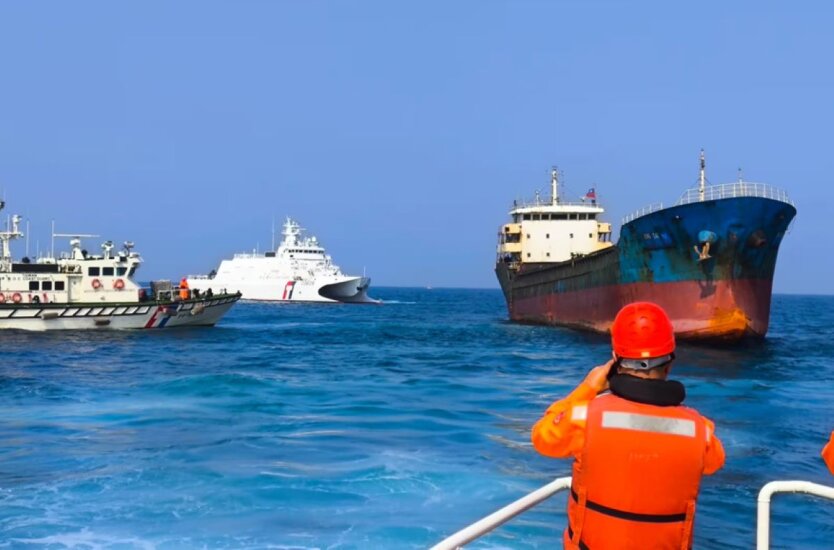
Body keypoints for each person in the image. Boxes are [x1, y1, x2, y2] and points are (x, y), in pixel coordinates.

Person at [531, 302, 725, 550]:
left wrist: (588, 388)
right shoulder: (701, 432)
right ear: (670, 363)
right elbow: (715, 462)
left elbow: (542, 437)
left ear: (615, 362)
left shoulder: (584, 419)